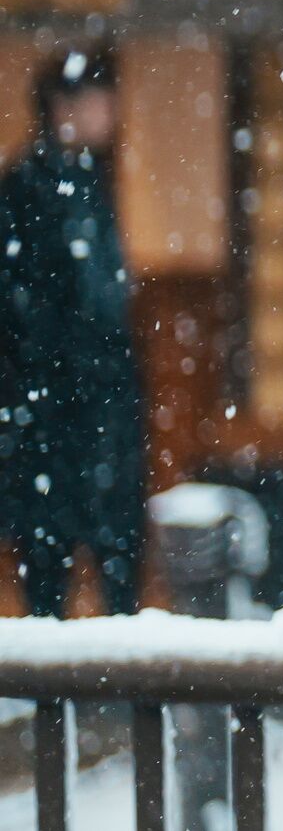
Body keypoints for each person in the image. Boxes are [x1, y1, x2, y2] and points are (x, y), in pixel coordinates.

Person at [1, 49, 144, 614]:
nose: (108, 112)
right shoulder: (26, 189)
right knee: (47, 570)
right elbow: (24, 313)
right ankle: (52, 702)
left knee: (117, 564)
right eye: (98, 98)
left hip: (97, 408)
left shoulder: (91, 183)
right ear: (64, 105)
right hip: (52, 413)